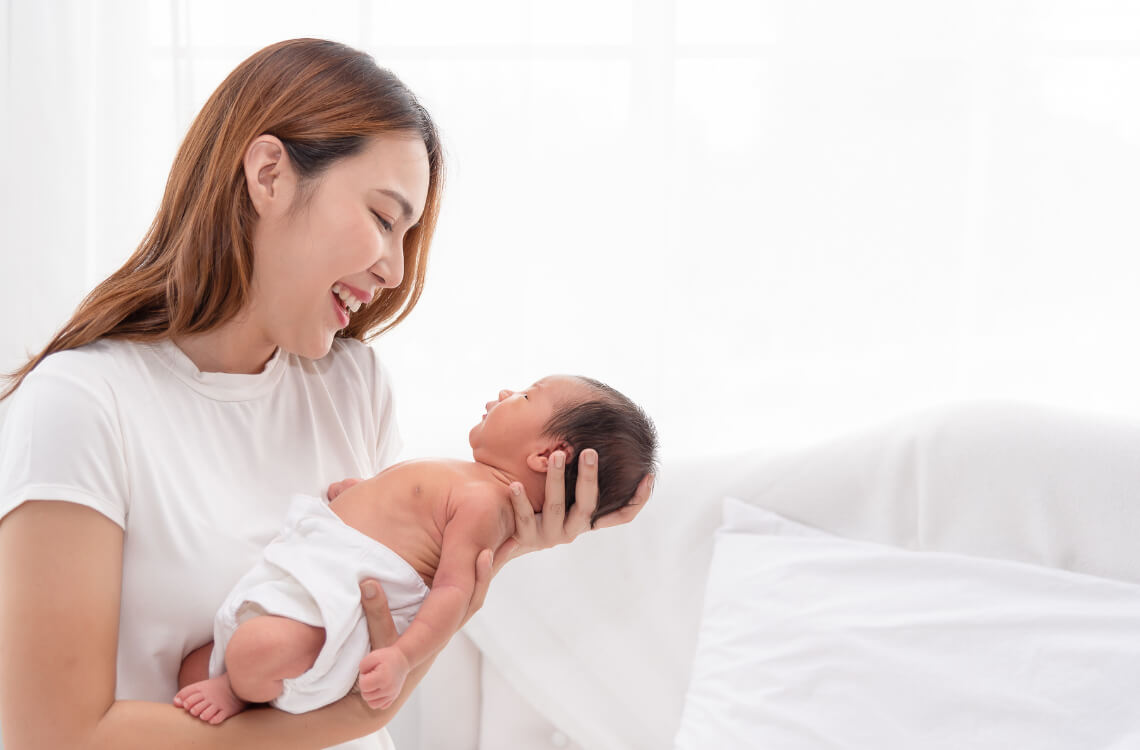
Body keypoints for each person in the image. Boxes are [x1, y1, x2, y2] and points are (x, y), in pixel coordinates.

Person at [0, 39, 653, 750]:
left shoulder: (352, 386)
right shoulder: (84, 404)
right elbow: (52, 734)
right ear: (270, 174)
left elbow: (368, 635)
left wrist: (503, 544)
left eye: (408, 235)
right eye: (382, 218)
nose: (397, 271)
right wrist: (348, 722)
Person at [173, 374, 658, 724]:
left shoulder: (484, 504)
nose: (506, 393)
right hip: (303, 586)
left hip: (331, 621)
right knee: (194, 664)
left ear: (546, 456)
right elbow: (403, 521)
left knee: (257, 650)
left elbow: (451, 591)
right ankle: (231, 682)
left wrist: (403, 657)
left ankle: (238, 690)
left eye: (528, 395)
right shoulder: (467, 479)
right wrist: (362, 495)